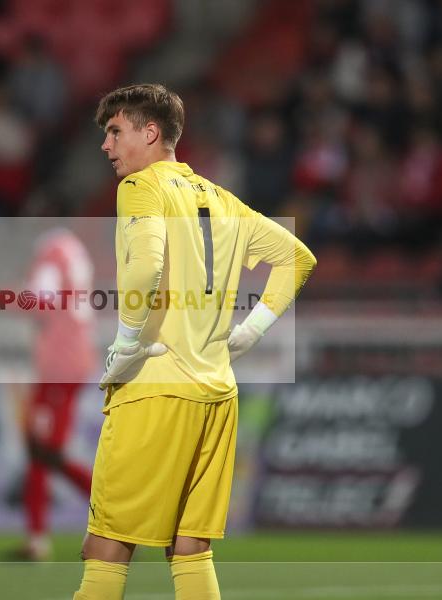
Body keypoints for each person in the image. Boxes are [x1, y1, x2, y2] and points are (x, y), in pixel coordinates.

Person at [74, 84, 316, 600]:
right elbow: (298, 257)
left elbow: (146, 267)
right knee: (190, 549)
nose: (106, 145)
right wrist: (251, 330)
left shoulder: (141, 187)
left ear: (150, 132)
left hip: (156, 387)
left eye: (116, 132)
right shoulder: (223, 200)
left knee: (107, 545)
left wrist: (126, 343)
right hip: (217, 395)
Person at [17, 227, 96, 560]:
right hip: (74, 359)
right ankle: (36, 538)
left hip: (58, 365)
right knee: (42, 449)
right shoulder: (75, 250)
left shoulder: (50, 254)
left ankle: (122, 516)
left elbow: (42, 305)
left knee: (45, 450)